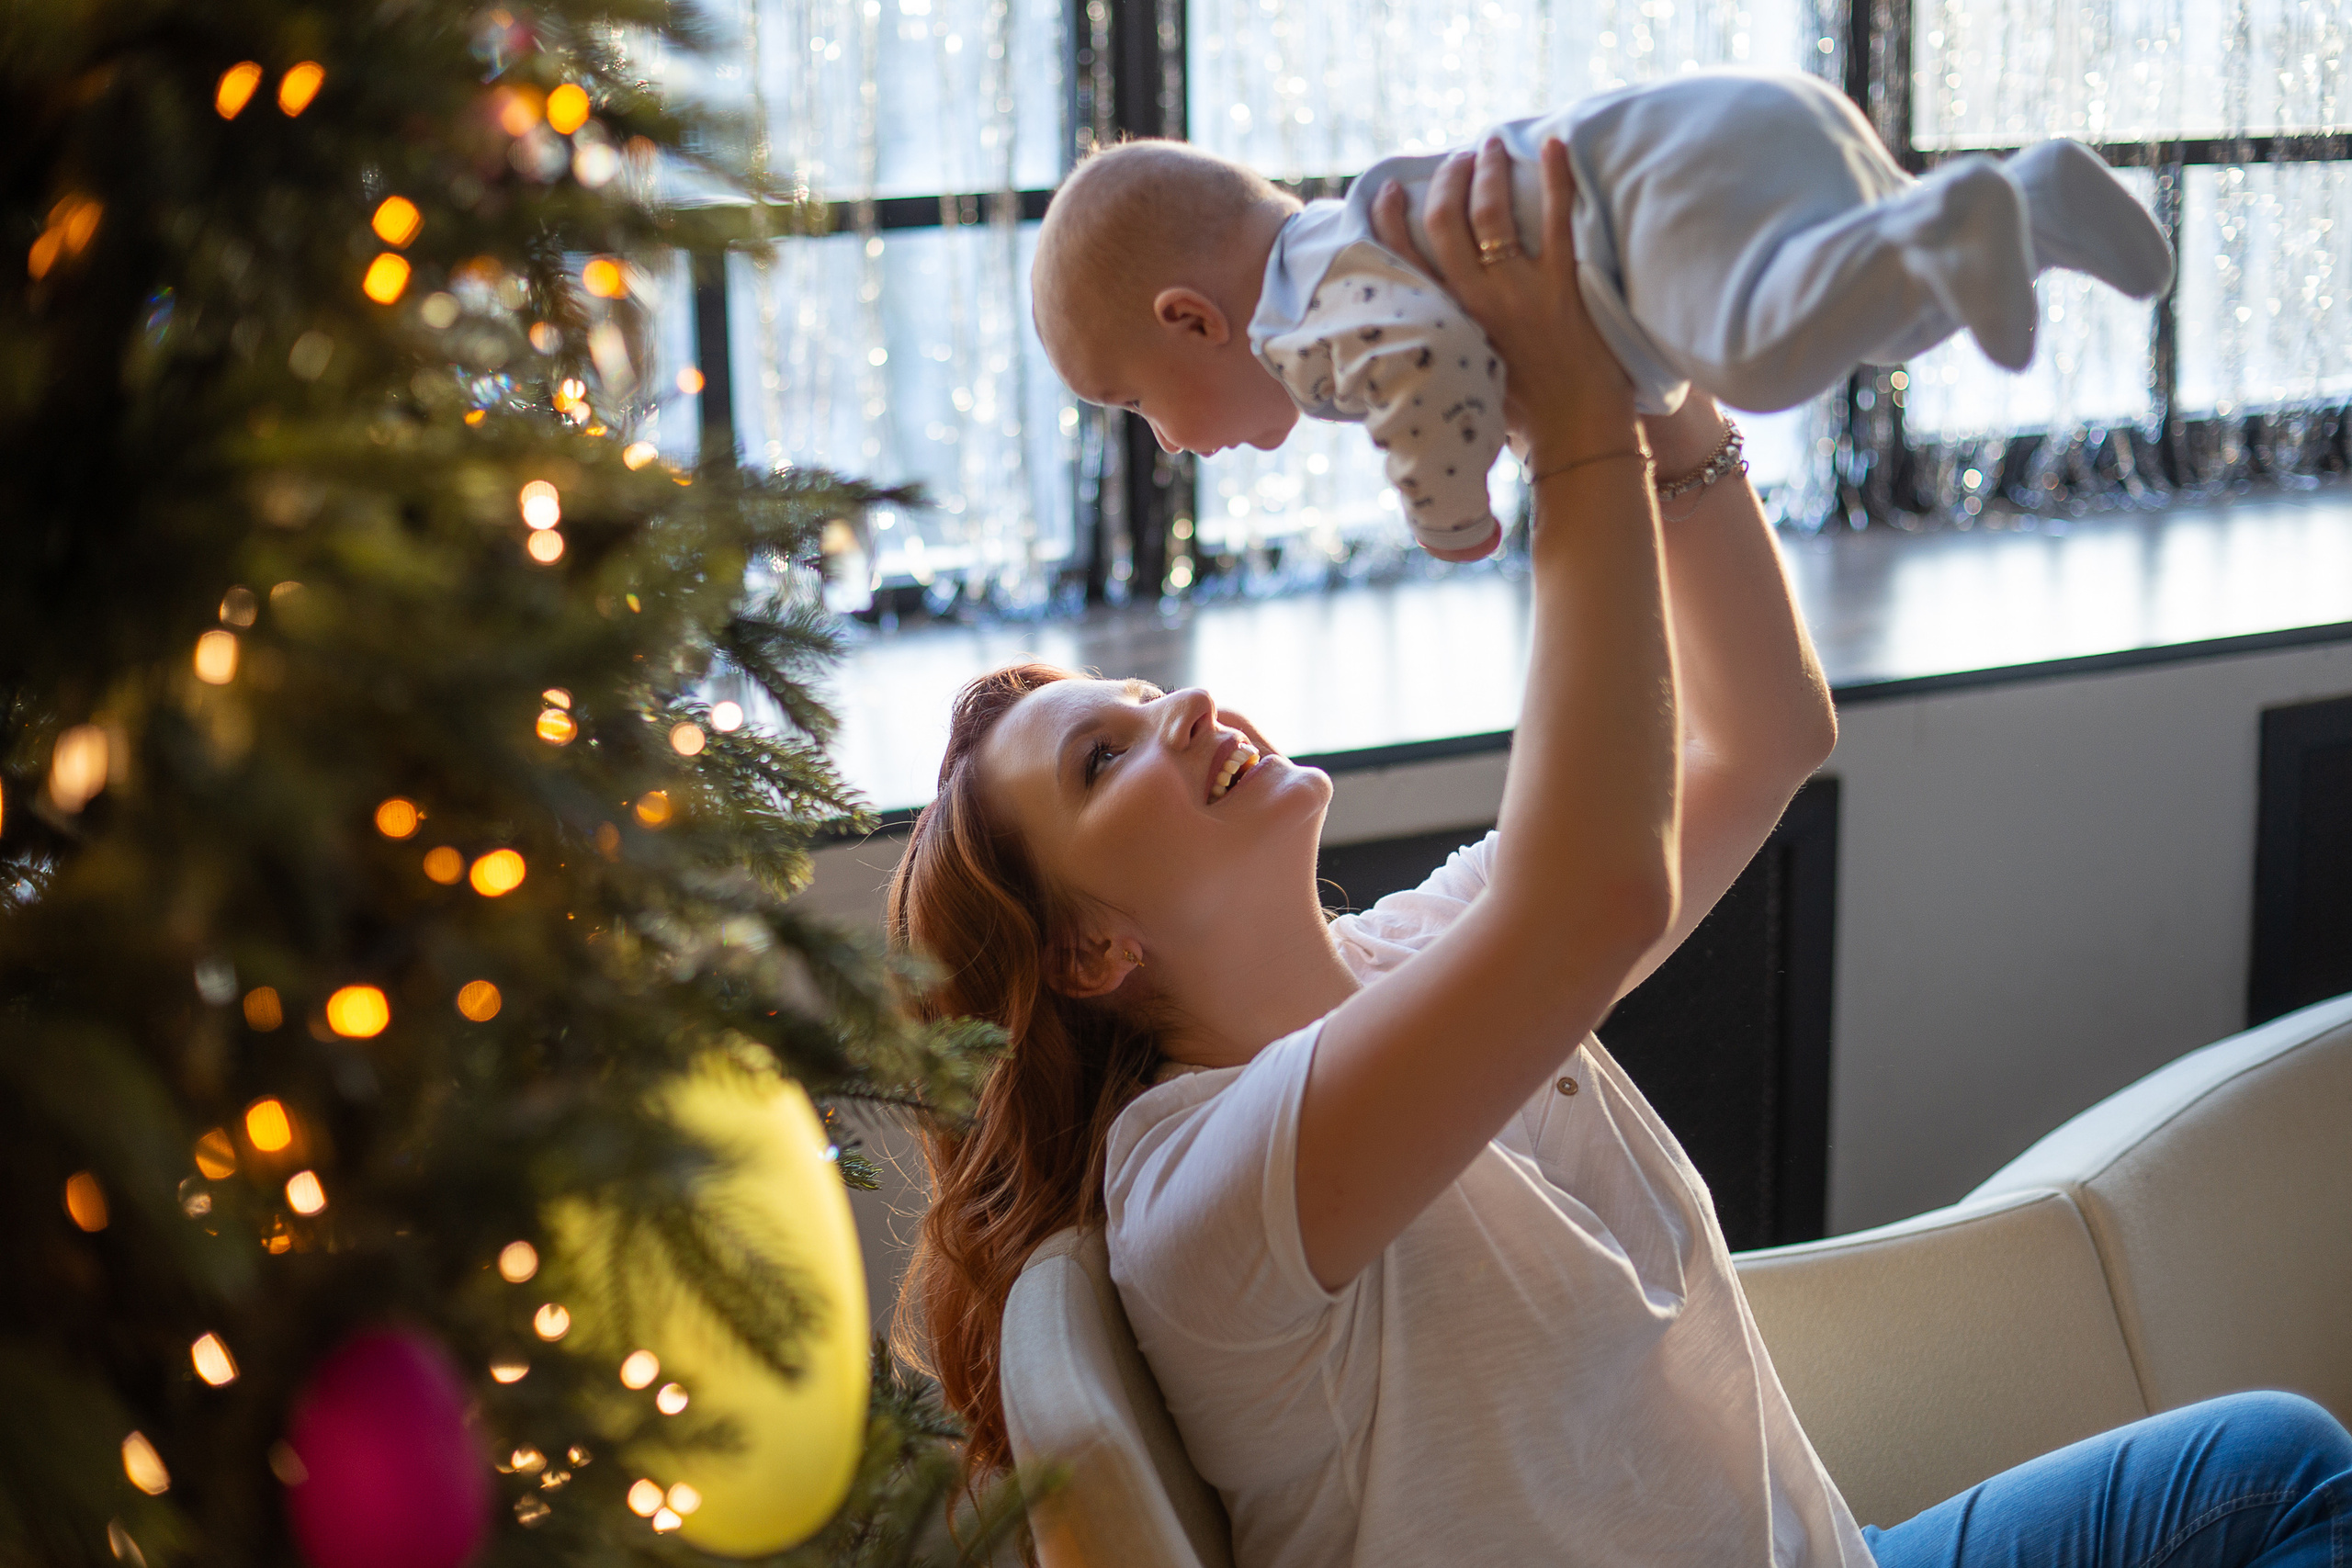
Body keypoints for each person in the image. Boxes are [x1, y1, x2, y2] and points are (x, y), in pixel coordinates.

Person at [888, 139, 2349, 1567]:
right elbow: (1593, 891)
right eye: (1106, 758)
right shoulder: (1204, 1192)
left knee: (2272, 1466)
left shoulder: (1402, 952)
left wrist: (1652, 385)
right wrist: (1573, 417)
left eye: (1144, 699)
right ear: (1089, 946)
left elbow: (1760, 735)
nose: (1187, 707)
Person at [1030, 69, 2172, 558]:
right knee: (1869, 327)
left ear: (1191, 320)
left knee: (1762, 363)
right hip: (1725, 130)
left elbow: (1429, 372)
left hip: (1658, 192)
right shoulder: (1352, 236)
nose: (1168, 443)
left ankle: (1951, 223)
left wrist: (1448, 511)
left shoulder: (1306, 314)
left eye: (1136, 405)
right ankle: (2028, 204)